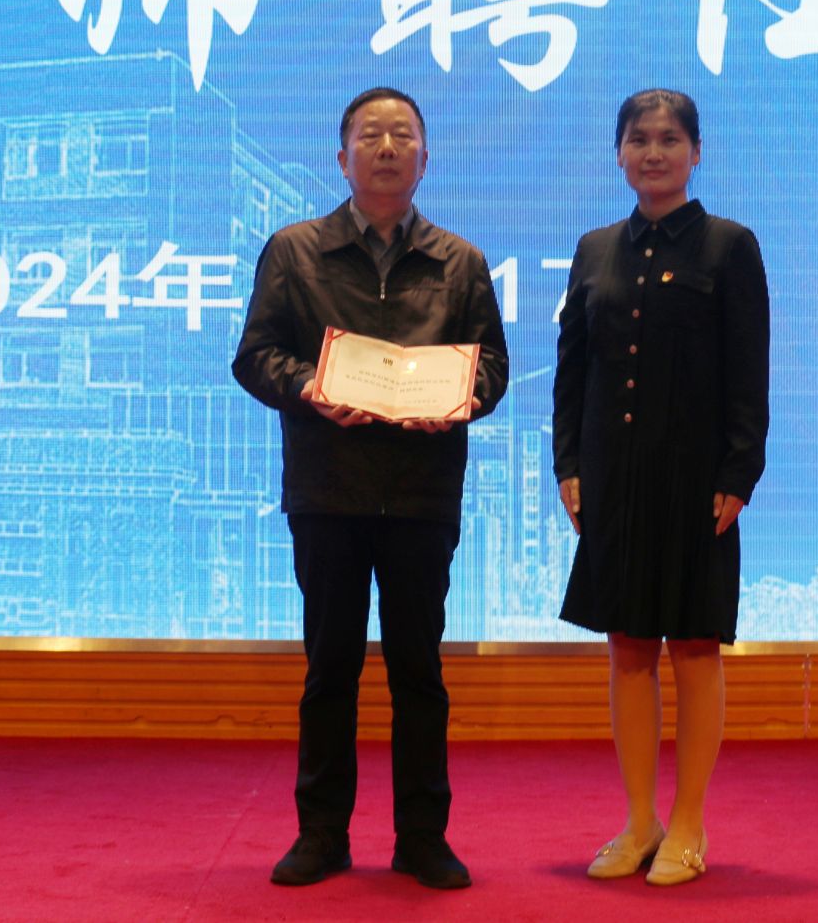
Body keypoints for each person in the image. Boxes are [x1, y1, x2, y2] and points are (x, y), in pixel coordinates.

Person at [233, 87, 509, 891]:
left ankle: (423, 837)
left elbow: (491, 366)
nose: (387, 147)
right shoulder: (295, 250)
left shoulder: (460, 261)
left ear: (425, 157)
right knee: (331, 668)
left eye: (402, 135)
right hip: (329, 488)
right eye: (370, 135)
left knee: (420, 671)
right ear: (342, 156)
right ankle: (321, 833)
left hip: (422, 492)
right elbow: (255, 355)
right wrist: (313, 387)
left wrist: (458, 398)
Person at [553, 88, 770, 887]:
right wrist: (569, 464)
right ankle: (639, 818)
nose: (653, 151)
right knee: (628, 648)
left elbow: (748, 373)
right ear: (618, 153)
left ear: (696, 152)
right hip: (613, 477)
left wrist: (739, 471)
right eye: (638, 139)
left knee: (695, 647)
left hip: (696, 481)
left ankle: (689, 822)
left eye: (670, 138)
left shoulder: (729, 246)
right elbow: (573, 372)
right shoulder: (594, 249)